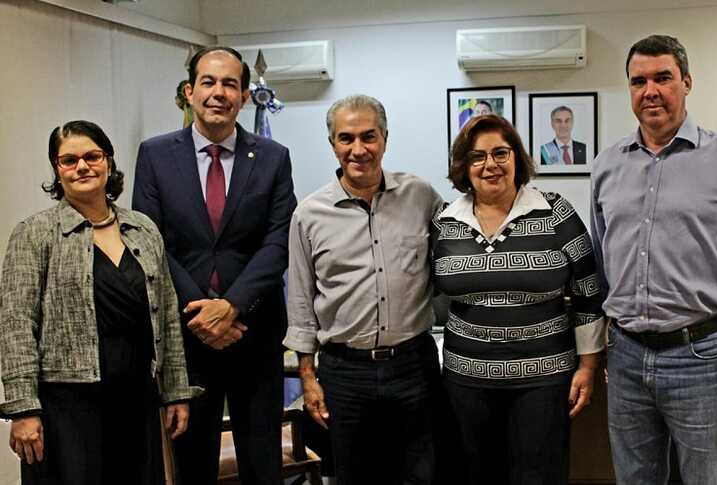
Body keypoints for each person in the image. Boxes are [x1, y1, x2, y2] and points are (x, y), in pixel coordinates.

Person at [590, 34, 717, 484]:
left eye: (663, 78)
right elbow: (600, 268)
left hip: (702, 356)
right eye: (639, 81)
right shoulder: (606, 166)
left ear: (687, 83)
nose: (650, 90)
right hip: (627, 355)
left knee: (706, 479)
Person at [133, 46, 296, 485]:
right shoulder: (154, 155)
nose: (218, 93)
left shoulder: (273, 157)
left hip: (255, 334)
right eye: (208, 82)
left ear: (245, 96)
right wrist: (203, 311)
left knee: (263, 463)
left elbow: (277, 241)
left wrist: (232, 307)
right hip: (187, 339)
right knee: (192, 465)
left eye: (230, 84)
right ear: (189, 92)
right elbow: (150, 244)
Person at [0, 120, 197, 485]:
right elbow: (15, 325)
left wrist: (175, 392)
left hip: (136, 396)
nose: (82, 167)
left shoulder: (143, 229)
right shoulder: (35, 234)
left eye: (92, 156)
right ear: (56, 170)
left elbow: (168, 317)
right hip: (67, 406)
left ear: (108, 161)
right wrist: (22, 408)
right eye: (69, 160)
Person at [431, 113, 605, 484]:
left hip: (544, 380)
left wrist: (588, 368)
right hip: (466, 381)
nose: (490, 165)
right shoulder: (444, 222)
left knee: (539, 476)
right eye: (477, 156)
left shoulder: (556, 212)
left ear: (517, 158)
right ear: (464, 165)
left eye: (500, 153)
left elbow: (588, 294)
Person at [284, 94, 442, 485]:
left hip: (413, 366)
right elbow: (301, 302)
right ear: (333, 144)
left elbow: (455, 259)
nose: (358, 150)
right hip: (344, 371)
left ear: (385, 138)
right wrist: (307, 376)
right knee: (355, 476)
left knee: (421, 474)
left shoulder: (421, 197)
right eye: (346, 138)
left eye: (369, 137)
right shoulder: (308, 214)